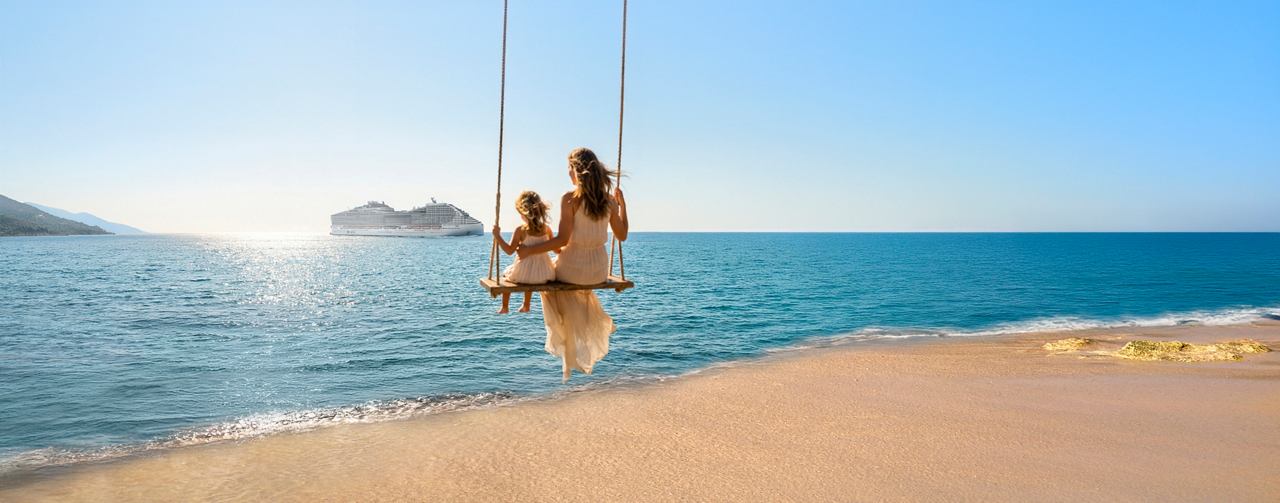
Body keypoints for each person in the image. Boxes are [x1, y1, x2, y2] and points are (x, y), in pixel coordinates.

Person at [517, 147, 629, 381]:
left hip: (572, 268)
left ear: (576, 171)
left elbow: (562, 240)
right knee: (558, 276)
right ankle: (574, 330)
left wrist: (529, 251)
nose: (567, 172)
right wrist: (622, 206)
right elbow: (622, 235)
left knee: (545, 280)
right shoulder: (608, 201)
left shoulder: (570, 199)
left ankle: (564, 333)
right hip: (598, 269)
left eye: (569, 167)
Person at [491, 191, 556, 314]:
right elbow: (556, 249)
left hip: (524, 274)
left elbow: (509, 251)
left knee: (507, 275)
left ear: (523, 212)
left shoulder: (520, 230)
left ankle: (505, 307)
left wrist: (497, 236)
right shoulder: (546, 229)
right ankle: (526, 305)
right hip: (545, 274)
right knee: (530, 274)